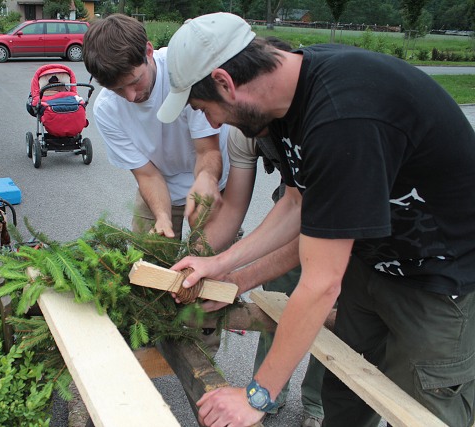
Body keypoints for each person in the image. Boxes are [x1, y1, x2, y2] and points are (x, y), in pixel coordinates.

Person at [158, 12, 475, 427]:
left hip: (438, 280)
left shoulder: (343, 115)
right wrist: (220, 267)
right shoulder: (286, 105)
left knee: (424, 411)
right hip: (372, 263)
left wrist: (258, 395)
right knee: (347, 389)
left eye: (206, 109)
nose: (214, 123)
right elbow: (297, 206)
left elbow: (322, 281)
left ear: (225, 82)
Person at [204, 124, 325, 427]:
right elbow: (237, 207)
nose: (212, 123)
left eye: (208, 109)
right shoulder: (242, 131)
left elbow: (322, 241)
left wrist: (239, 279)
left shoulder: (320, 126)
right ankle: (272, 389)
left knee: (330, 313)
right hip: (296, 203)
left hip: (347, 221)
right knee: (277, 303)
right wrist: (210, 260)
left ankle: (317, 402)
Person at [82, 14, 230, 241]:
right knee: (149, 258)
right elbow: (147, 174)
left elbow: (207, 151)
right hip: (159, 182)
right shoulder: (106, 109)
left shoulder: (184, 71)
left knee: (209, 260)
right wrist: (162, 216)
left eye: (134, 82)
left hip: (209, 175)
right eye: (117, 90)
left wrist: (206, 183)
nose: (130, 97)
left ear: (148, 52)